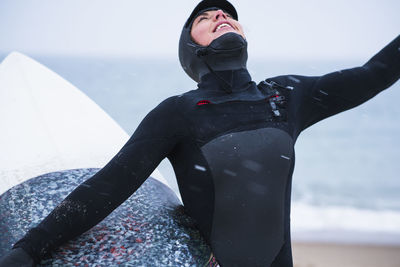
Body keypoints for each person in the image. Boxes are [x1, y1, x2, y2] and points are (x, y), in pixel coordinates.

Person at [1, 0, 399, 266]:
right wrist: (26, 251)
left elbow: (374, 75)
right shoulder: (179, 113)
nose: (220, 16)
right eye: (204, 18)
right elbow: (107, 187)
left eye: (226, 14)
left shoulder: (286, 95)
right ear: (191, 48)